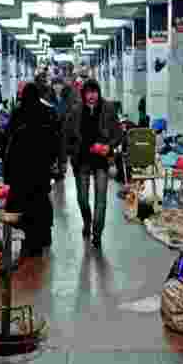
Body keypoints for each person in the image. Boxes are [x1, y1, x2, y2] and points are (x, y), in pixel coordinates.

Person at [64, 79, 121, 250]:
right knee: (82, 199)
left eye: (94, 92)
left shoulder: (108, 108)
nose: (91, 96)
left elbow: (119, 133)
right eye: (88, 92)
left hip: (101, 161)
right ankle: (87, 221)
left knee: (101, 200)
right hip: (81, 161)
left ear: (98, 92)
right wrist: (69, 153)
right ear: (83, 94)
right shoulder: (76, 110)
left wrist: (108, 147)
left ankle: (97, 234)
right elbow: (66, 135)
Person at [3, 83, 55, 257]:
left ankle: (23, 241)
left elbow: (8, 140)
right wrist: (54, 162)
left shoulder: (18, 112)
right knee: (40, 203)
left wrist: (8, 171)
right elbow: (54, 139)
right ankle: (41, 239)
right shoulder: (47, 112)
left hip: (21, 168)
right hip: (40, 168)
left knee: (22, 204)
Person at [50, 79, 74, 180]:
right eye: (55, 85)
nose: (57, 87)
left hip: (64, 128)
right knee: (53, 150)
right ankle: (54, 171)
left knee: (63, 150)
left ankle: (62, 169)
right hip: (53, 129)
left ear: (63, 86)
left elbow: (71, 111)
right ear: (52, 86)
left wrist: (66, 118)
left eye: (59, 85)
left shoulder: (67, 98)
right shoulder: (49, 98)